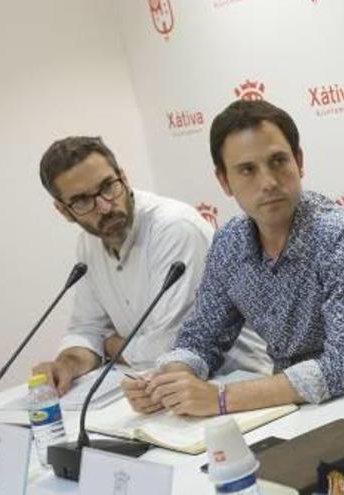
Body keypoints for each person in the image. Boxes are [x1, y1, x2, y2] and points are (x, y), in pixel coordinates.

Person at [122, 100, 344, 417]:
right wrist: (169, 378)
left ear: (299, 161)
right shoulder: (229, 241)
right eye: (247, 170)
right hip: (282, 411)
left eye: (278, 161)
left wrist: (221, 398)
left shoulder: (341, 235)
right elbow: (201, 337)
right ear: (224, 181)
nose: (268, 182)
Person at [33, 136, 269, 395]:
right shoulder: (88, 244)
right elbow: (88, 329)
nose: (104, 206)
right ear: (64, 211)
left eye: (108, 186)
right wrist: (67, 364)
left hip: (236, 384)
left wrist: (112, 346)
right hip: (167, 392)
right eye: (82, 201)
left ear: (123, 177)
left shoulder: (174, 228)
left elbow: (172, 347)